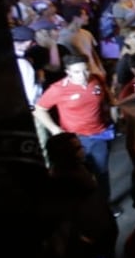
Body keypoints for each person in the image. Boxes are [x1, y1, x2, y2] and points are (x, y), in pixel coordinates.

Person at [34, 54, 115, 201]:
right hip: (75, 139)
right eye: (77, 72)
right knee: (78, 174)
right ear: (68, 72)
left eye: (85, 70)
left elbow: (108, 98)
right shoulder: (58, 89)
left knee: (101, 171)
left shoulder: (97, 79)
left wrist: (113, 112)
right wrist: (55, 129)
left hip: (99, 135)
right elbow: (39, 109)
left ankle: (105, 203)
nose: (83, 75)